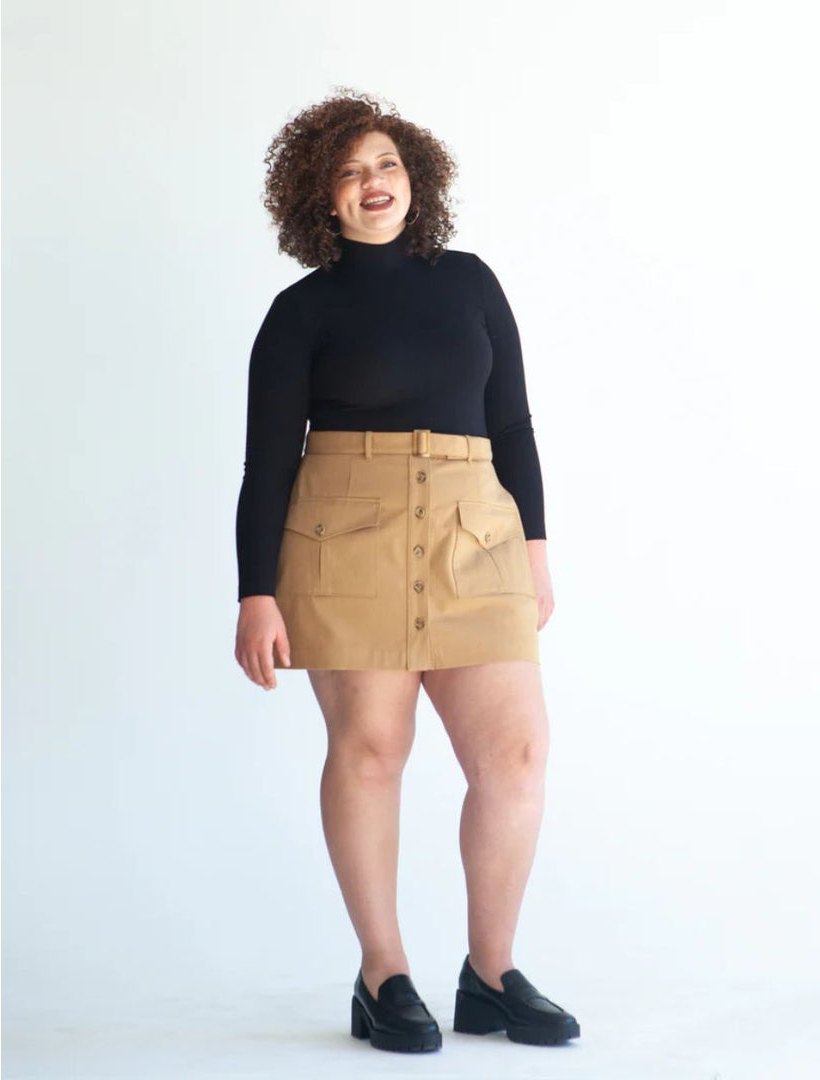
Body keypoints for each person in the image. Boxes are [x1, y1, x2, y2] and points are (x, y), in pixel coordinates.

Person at [234, 90, 580, 1053]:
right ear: (321, 200)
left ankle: (493, 972)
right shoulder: (299, 312)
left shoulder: (471, 282)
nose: (372, 183)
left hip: (478, 529)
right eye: (348, 173)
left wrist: (536, 545)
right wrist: (254, 591)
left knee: (513, 755)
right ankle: (382, 973)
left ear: (414, 176)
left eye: (384, 164)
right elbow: (269, 463)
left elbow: (511, 422)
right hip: (345, 532)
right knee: (372, 751)